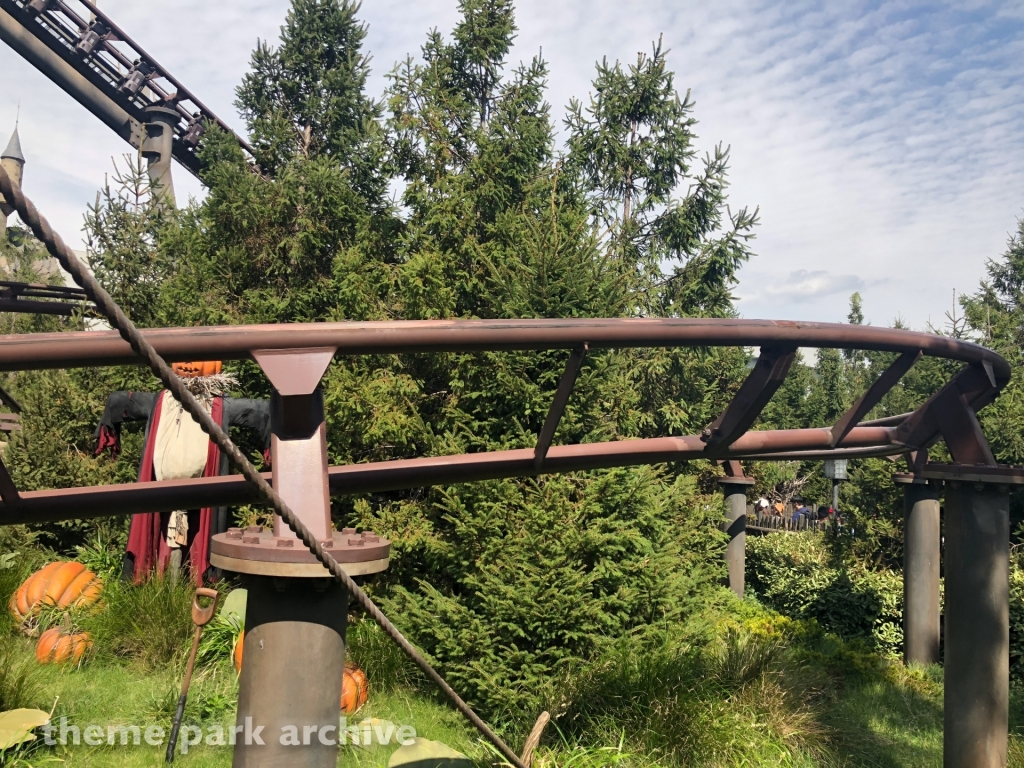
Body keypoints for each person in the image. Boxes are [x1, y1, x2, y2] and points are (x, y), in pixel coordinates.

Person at [94, 361, 271, 585]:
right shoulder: (162, 401)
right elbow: (121, 402)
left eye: (195, 361)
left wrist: (276, 444)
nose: (188, 366)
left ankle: (194, 585)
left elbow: (260, 410)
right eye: (184, 360)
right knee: (160, 536)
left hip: (203, 491)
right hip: (161, 491)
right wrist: (110, 418)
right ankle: (158, 586)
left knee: (199, 537)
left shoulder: (219, 405)